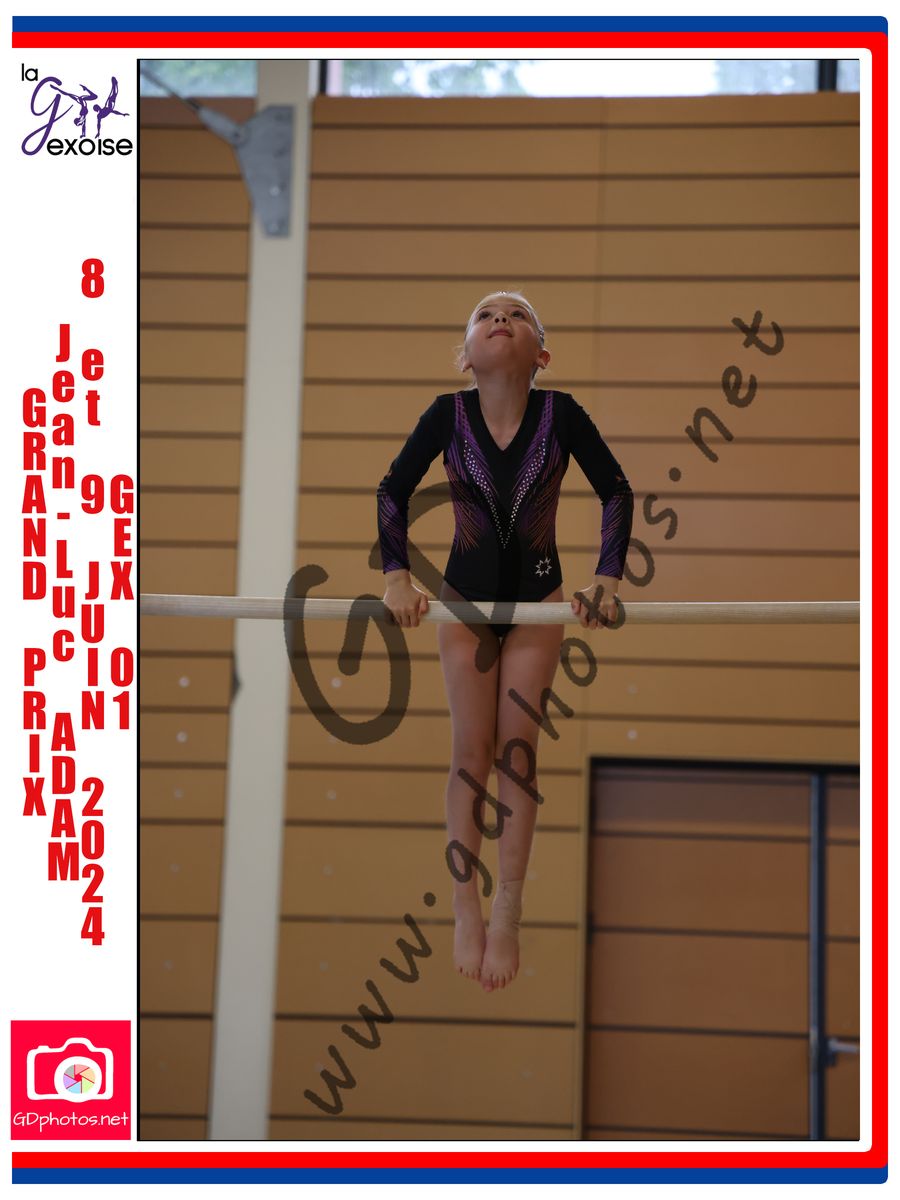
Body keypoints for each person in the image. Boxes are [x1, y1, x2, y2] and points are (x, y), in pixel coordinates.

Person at [376, 291, 633, 994]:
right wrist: (396, 579)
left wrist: (606, 580)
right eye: (487, 314)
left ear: (541, 354)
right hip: (463, 602)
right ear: (464, 356)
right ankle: (465, 906)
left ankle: (508, 910)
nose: (501, 319)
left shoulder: (562, 414)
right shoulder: (446, 414)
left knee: (516, 758)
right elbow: (393, 490)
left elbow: (615, 490)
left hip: (537, 606)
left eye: (517, 315)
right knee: (471, 752)